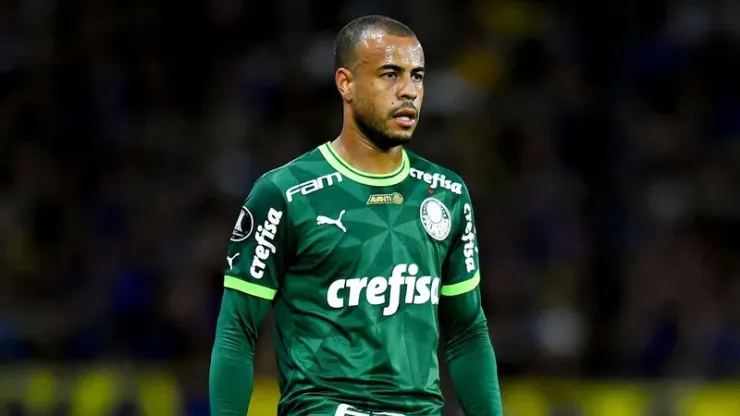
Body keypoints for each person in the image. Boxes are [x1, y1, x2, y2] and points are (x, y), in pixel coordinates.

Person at [209, 15, 503, 416]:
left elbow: (467, 332)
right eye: (389, 74)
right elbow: (236, 331)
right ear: (345, 83)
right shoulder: (283, 194)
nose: (408, 91)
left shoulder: (447, 194)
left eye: (417, 76)